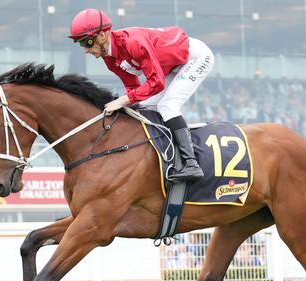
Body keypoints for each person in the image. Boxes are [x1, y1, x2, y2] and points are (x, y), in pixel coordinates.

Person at [68, 8, 215, 181]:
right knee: (142, 108)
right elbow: (132, 86)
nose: (85, 49)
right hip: (170, 68)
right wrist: (126, 105)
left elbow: (157, 82)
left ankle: (191, 164)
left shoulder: (133, 43)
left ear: (102, 36)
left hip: (194, 57)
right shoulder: (109, 59)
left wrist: (123, 100)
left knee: (167, 105)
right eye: (81, 44)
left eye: (87, 42)